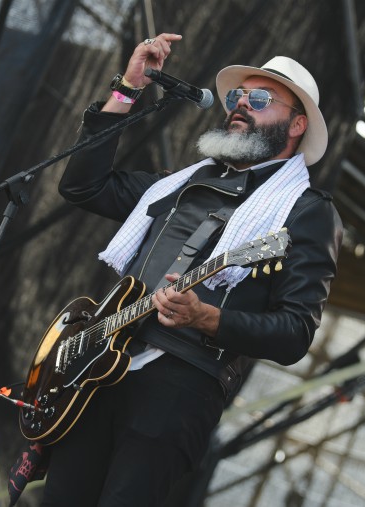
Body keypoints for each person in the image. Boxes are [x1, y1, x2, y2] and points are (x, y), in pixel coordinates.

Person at [35, 32, 342, 506]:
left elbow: (295, 333)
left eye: (260, 99)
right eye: (237, 97)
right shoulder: (180, 182)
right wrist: (127, 91)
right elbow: (83, 186)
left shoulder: (306, 211)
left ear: (297, 124)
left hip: (180, 386)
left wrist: (207, 317)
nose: (241, 104)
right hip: (100, 367)